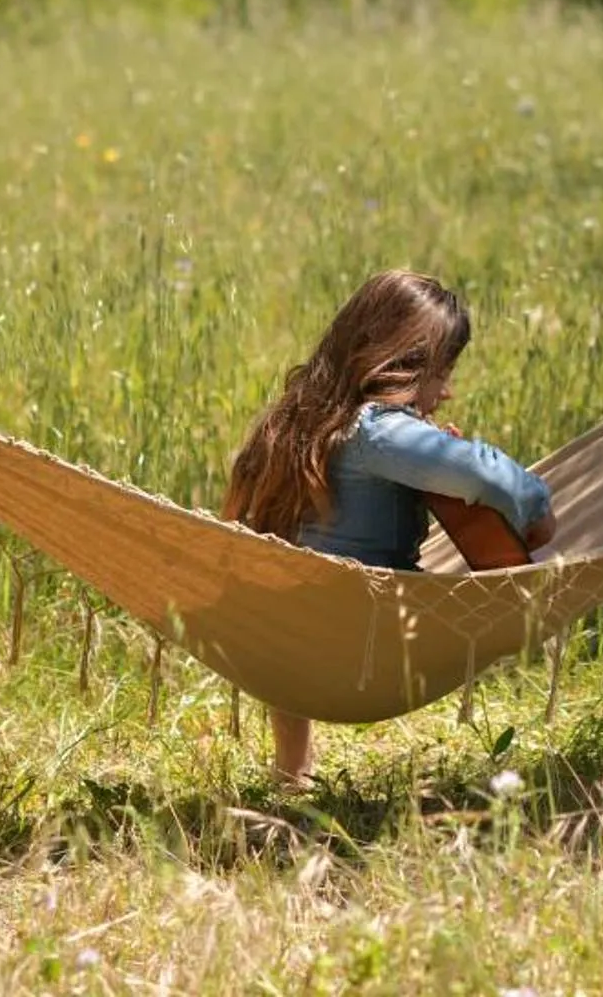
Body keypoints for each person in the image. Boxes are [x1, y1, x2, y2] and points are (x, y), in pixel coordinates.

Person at [221, 269, 554, 784]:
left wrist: (429, 450)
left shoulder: (297, 421)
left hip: (284, 637)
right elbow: (482, 473)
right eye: (443, 372)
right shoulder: (380, 432)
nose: (446, 392)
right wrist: (536, 509)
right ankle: (293, 768)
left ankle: (292, 767)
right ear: (407, 366)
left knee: (293, 579)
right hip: (366, 632)